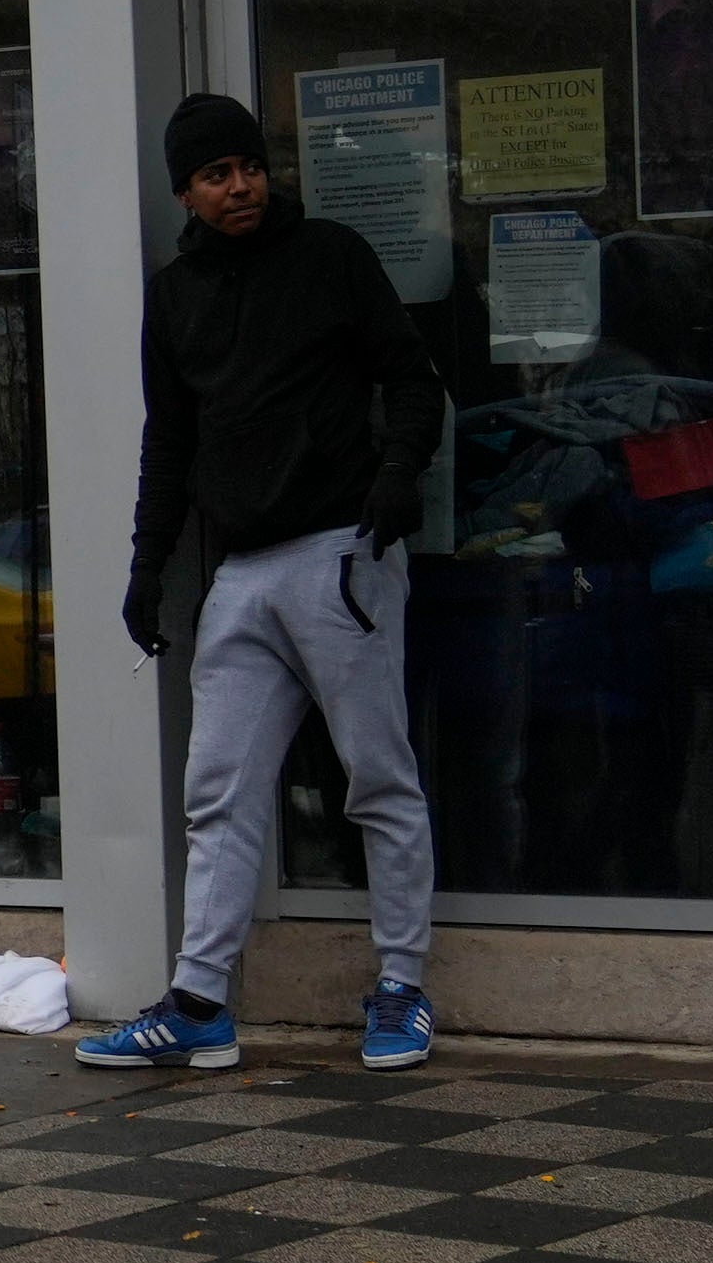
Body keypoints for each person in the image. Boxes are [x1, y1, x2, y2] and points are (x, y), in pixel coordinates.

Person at [84, 92, 447, 1076]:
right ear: (185, 193)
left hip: (341, 551)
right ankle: (200, 1003)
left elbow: (414, 378)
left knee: (377, 776)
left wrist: (397, 475)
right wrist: (147, 565)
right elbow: (170, 440)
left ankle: (403, 986)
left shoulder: (331, 256)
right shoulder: (175, 297)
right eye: (215, 174)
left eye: (249, 166)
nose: (239, 186)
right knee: (218, 792)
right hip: (239, 572)